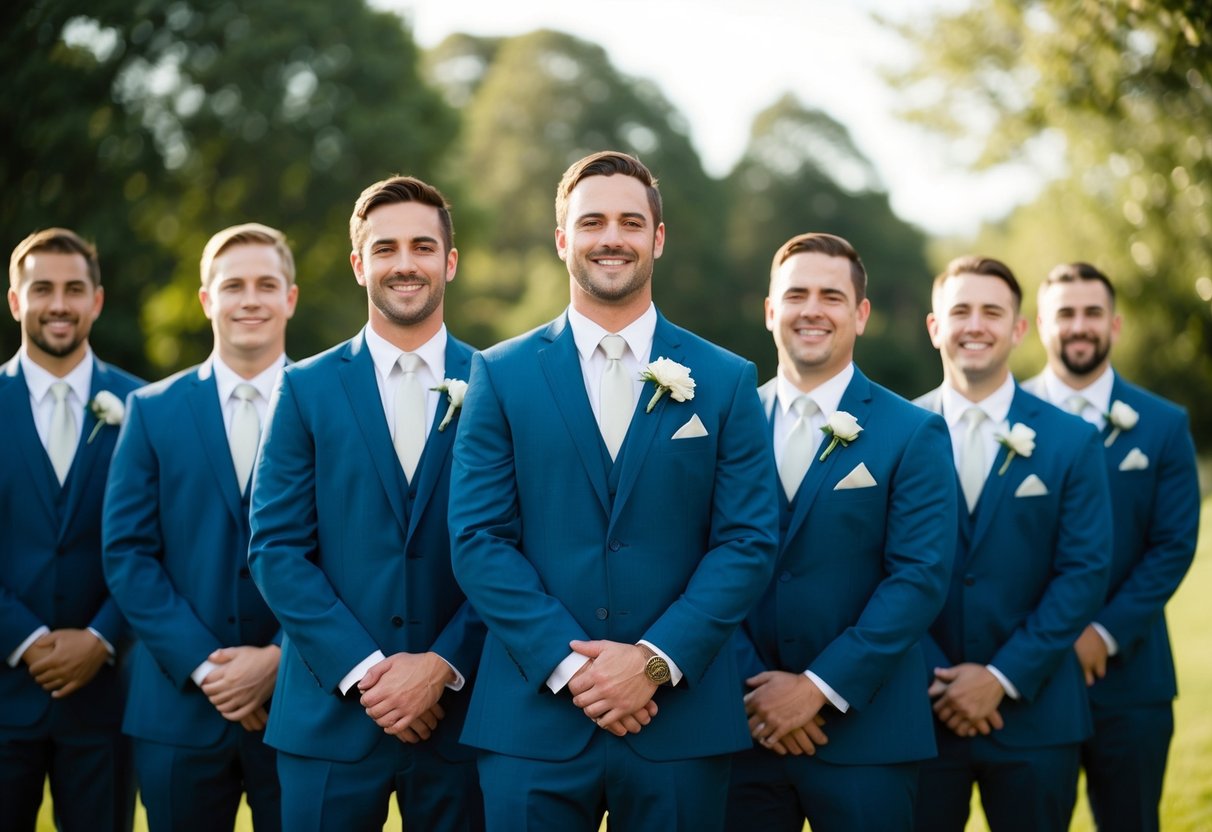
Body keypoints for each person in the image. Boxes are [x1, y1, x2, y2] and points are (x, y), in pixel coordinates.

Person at [448, 151, 780, 832]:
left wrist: (654, 663)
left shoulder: (724, 379)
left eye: (631, 222)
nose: (611, 237)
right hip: (531, 725)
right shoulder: (500, 374)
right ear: (562, 239)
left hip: (679, 726)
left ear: (657, 239)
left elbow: (746, 542)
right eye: (591, 221)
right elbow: (479, 540)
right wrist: (571, 669)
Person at [248, 176, 484, 832]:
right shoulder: (306, 389)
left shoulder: (499, 383)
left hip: (462, 724)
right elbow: (275, 548)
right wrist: (366, 670)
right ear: (359, 264)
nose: (403, 263)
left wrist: (441, 666)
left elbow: (515, 547)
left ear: (449, 261)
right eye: (384, 248)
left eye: (421, 246)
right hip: (328, 718)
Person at [726, 232, 957, 832]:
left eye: (831, 296)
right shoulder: (723, 424)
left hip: (868, 734)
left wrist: (817, 688)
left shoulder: (913, 432)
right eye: (796, 294)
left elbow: (919, 579)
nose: (812, 309)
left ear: (860, 315)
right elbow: (699, 562)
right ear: (770, 309)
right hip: (737, 730)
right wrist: (757, 691)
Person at [103, 223, 298, 830]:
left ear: (290, 298)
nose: (250, 299)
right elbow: (128, 554)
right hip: (177, 708)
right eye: (233, 285)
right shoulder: (153, 411)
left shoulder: (326, 402)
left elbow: (352, 551)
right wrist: (204, 665)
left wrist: (279, 659)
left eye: (267, 284)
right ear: (207, 299)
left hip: (298, 706)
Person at [912, 255, 1111, 832]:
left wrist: (999, 678)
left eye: (992, 312)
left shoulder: (1073, 441)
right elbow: (876, 569)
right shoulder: (894, 434)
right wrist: (942, 679)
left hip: (1037, 713)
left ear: (1019, 329)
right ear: (934, 327)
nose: (975, 325)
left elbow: (1084, 574)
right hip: (920, 711)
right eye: (960, 311)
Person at [1023, 262, 1200, 832]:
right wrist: (1047, 639)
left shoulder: (1164, 424)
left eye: (1092, 313)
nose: (1080, 326)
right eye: (1065, 314)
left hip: (1132, 681)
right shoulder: (1004, 419)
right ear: (1040, 326)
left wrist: (1103, 633)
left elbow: (1173, 545)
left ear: (1115, 325)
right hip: (1031, 677)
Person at [0, 228, 141, 831]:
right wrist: (27, 639)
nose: (59, 303)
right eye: (43, 289)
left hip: (108, 702)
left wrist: (103, 636)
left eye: (74, 289)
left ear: (97, 301)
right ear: (15, 300)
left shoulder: (145, 406)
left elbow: (160, 545)